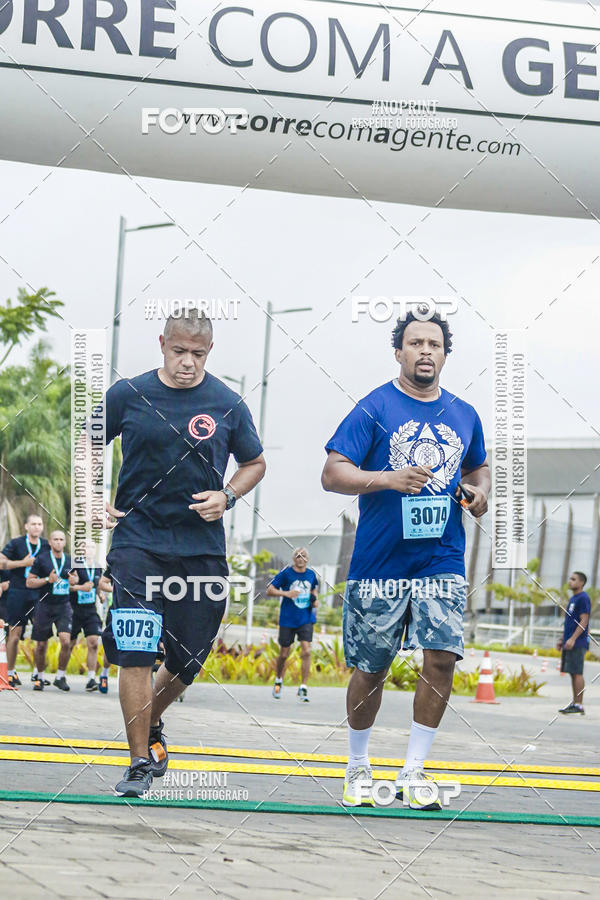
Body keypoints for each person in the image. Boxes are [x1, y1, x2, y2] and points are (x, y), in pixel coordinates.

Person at [322, 312, 490, 810]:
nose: (424, 351)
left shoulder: (464, 414)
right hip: (380, 561)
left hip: (441, 558)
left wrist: (478, 494)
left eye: (434, 344)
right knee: (371, 668)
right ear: (398, 353)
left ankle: (415, 770)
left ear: (444, 355)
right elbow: (333, 473)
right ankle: (357, 764)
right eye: (414, 343)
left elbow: (478, 467)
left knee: (440, 658)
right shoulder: (374, 407)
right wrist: (388, 479)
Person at [96, 309, 265, 797]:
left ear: (209, 352)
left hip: (200, 550)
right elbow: (87, 445)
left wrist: (227, 496)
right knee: (136, 650)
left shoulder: (227, 403)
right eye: (179, 351)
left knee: (189, 658)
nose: (187, 362)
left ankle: (150, 725)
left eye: (198, 354)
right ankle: (137, 764)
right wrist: (93, 497)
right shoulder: (127, 394)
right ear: (162, 345)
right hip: (137, 542)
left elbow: (255, 461)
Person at [0, 514, 49, 688]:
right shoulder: (16, 543)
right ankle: (10, 673)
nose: (37, 527)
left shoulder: (46, 546)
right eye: (33, 524)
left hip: (38, 593)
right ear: (26, 527)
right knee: (14, 634)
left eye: (39, 524)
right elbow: (1, 563)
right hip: (18, 591)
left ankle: (38, 675)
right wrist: (23, 563)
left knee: (41, 635)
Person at [267, 548, 319, 702]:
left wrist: (315, 600)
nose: (300, 558)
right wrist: (286, 594)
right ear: (293, 558)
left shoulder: (311, 574)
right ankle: (278, 681)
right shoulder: (286, 574)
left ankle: (303, 687)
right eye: (298, 556)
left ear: (308, 559)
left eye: (304, 556)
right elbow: (270, 590)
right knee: (284, 653)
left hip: (306, 618)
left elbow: (314, 589)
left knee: (307, 651)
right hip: (288, 619)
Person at [26, 530, 74, 691]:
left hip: (64, 605)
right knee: (40, 645)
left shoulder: (70, 560)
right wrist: (47, 579)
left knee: (66, 641)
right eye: (56, 539)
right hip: (44, 605)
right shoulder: (42, 559)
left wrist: (75, 580)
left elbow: (77, 578)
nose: (59, 542)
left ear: (65, 542)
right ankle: (39, 677)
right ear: (50, 542)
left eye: (61, 539)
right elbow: (29, 582)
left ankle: (60, 676)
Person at [69, 544, 104, 692]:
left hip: (90, 611)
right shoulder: (74, 566)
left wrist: (100, 594)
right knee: (68, 644)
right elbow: (64, 586)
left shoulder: (97, 567)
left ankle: (91, 679)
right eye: (85, 547)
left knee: (93, 643)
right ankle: (60, 675)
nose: (88, 550)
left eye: (91, 547)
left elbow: (97, 585)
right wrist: (79, 588)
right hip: (73, 610)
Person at [557, 571, 591, 715]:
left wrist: (573, 639)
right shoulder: (573, 599)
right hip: (569, 641)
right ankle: (575, 702)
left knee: (577, 672)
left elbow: (584, 620)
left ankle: (579, 704)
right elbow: (570, 623)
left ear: (581, 582)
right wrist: (562, 639)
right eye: (570, 579)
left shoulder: (583, 598)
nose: (570, 581)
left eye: (573, 579)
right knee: (572, 672)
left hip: (578, 642)